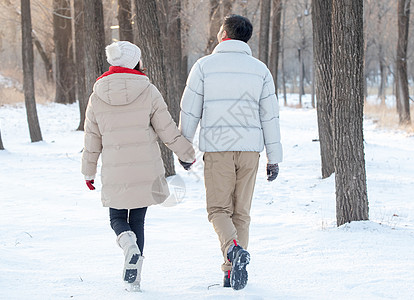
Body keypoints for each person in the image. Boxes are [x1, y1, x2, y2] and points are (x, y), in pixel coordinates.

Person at [81, 41, 195, 292]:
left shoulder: (96, 94)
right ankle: (135, 279)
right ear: (134, 62)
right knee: (139, 220)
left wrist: (88, 172)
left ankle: (127, 244)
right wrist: (186, 154)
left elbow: (92, 140)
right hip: (145, 169)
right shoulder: (148, 90)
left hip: (114, 168)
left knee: (117, 218)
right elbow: (167, 130)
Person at [179, 15, 282, 290]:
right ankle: (230, 273)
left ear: (224, 33)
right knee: (242, 213)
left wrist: (184, 148)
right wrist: (275, 158)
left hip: (218, 150)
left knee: (217, 210)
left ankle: (233, 251)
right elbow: (270, 116)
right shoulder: (260, 70)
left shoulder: (204, 67)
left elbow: (190, 110)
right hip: (250, 151)